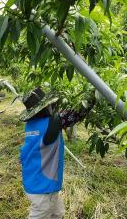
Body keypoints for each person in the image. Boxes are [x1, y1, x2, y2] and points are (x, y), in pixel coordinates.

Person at [19, 87, 85, 219]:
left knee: (57, 213)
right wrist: (92, 96)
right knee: (41, 214)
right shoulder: (51, 124)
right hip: (43, 188)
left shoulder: (32, 125)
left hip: (34, 180)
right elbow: (75, 114)